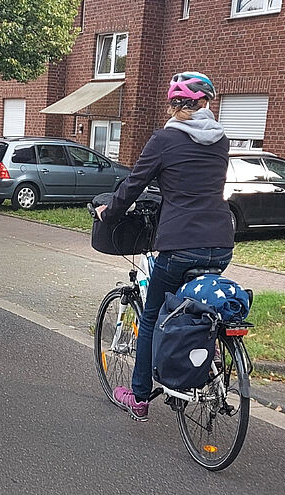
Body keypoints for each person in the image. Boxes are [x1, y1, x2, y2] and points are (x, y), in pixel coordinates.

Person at [95, 71, 235, 420]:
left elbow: (133, 184)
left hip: (180, 244)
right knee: (197, 308)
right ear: (206, 103)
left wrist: (108, 213)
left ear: (174, 105)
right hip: (221, 242)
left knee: (155, 316)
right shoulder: (221, 140)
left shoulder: (164, 139)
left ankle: (140, 397)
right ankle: (208, 360)